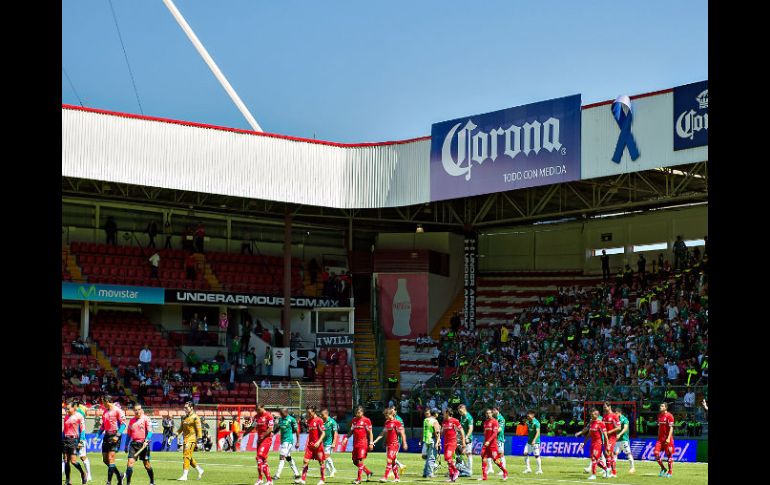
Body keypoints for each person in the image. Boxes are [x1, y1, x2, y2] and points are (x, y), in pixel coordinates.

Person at [96, 395, 126, 485]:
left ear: (107, 401)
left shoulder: (118, 411)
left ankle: (109, 482)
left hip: (115, 435)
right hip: (107, 436)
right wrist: (97, 436)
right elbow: (102, 426)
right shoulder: (105, 412)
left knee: (111, 458)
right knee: (105, 460)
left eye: (103, 402)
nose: (102, 404)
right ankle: (119, 475)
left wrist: (117, 435)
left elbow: (123, 424)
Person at [243, 403, 274, 485]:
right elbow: (252, 427)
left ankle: (268, 480)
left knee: (259, 457)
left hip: (267, 439)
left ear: (263, 408)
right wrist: (243, 435)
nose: (257, 411)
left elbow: (271, 428)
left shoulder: (269, 416)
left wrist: (263, 435)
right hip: (259, 440)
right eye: (256, 410)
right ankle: (262, 479)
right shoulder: (256, 417)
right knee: (262, 460)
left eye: (258, 409)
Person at [125, 403, 155, 485]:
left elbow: (150, 432)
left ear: (141, 410)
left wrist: (146, 441)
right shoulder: (131, 421)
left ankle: (152, 482)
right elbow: (128, 434)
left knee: (147, 465)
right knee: (130, 463)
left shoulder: (146, 419)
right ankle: (128, 483)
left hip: (143, 445)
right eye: (136, 410)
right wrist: (125, 445)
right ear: (133, 411)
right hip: (133, 444)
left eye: (139, 409)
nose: (137, 411)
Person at [575, 409, 609, 481]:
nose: (591, 415)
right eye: (591, 414)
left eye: (593, 414)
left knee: (594, 458)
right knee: (596, 460)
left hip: (598, 443)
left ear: (597, 415)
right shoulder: (591, 422)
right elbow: (589, 434)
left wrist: (607, 445)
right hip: (592, 443)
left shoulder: (601, 423)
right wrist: (584, 443)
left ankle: (593, 475)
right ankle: (606, 469)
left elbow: (605, 435)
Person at [296, 406, 327, 485]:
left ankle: (322, 479)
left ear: (314, 412)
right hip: (310, 445)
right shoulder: (309, 420)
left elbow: (323, 433)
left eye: (309, 413)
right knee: (305, 461)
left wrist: (318, 442)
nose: (308, 414)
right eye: (307, 413)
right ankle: (303, 479)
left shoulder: (319, 420)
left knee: (321, 462)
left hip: (318, 445)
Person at [376, 408, 408, 482]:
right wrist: (377, 441)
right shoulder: (387, 422)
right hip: (388, 445)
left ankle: (385, 477)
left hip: (395, 444)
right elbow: (384, 433)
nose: (385, 417)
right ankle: (397, 478)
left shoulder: (397, 422)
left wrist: (404, 442)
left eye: (386, 415)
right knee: (393, 462)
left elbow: (402, 433)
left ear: (391, 414)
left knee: (389, 460)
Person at [175, 401, 204, 481]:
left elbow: (199, 430)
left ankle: (185, 476)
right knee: (188, 457)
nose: (185, 409)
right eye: (184, 407)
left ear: (191, 408)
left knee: (186, 456)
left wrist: (200, 441)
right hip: (185, 439)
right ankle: (199, 470)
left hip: (192, 439)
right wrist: (174, 435)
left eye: (186, 407)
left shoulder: (195, 417)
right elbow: (180, 429)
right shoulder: (184, 417)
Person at [63, 400, 88, 485]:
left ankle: (83, 473)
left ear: (73, 408)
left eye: (68, 408)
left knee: (73, 461)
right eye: (66, 408)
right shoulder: (66, 417)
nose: (66, 410)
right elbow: (64, 430)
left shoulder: (79, 416)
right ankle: (68, 480)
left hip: (74, 440)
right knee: (66, 460)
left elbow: (83, 429)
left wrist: (81, 441)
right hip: (65, 440)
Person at [348, 406, 375, 484]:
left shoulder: (366, 420)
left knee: (360, 461)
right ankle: (368, 472)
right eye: (356, 412)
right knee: (355, 462)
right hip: (355, 444)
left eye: (359, 412)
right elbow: (351, 430)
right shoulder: (354, 420)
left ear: (362, 412)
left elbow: (370, 433)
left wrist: (371, 443)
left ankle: (358, 479)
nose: (357, 414)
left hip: (363, 443)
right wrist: (346, 438)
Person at [480, 408, 508, 481]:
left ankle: (505, 471)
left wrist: (489, 441)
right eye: (487, 413)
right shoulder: (485, 422)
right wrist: (484, 442)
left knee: (496, 460)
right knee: (484, 458)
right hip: (486, 444)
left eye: (490, 413)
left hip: (492, 444)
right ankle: (484, 476)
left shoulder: (495, 422)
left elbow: (495, 433)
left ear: (492, 414)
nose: (488, 414)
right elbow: (485, 433)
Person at [273, 408, 301, 480]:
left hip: (288, 441)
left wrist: (298, 441)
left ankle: (277, 475)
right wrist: (272, 433)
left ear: (286, 412)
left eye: (282, 413)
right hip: (283, 441)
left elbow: (297, 430)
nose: (281, 415)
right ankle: (297, 474)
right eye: (280, 413)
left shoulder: (292, 420)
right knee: (288, 458)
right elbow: (278, 428)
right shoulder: (281, 419)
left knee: (282, 457)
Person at [440, 408, 465, 483]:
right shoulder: (444, 421)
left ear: (447, 413)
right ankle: (451, 477)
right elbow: (442, 432)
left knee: (448, 457)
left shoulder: (455, 421)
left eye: (444, 413)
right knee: (448, 460)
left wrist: (463, 441)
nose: (443, 414)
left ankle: (456, 471)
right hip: (445, 442)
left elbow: (462, 431)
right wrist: (439, 437)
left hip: (452, 442)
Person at [72, 400, 93, 482]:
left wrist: (81, 440)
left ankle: (89, 475)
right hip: (72, 438)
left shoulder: (79, 413)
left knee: (82, 456)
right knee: (66, 457)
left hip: (80, 438)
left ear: (75, 406)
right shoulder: (73, 413)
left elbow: (82, 428)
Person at [654, 403, 675, 478]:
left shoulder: (669, 416)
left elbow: (671, 428)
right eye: (660, 406)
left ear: (666, 408)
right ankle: (663, 468)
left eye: (662, 406)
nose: (660, 407)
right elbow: (659, 427)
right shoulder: (659, 415)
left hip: (667, 439)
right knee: (656, 453)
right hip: (660, 439)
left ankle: (670, 472)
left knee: (669, 455)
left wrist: (669, 438)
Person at [602, 402, 621, 478]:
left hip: (612, 437)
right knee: (610, 455)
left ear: (609, 407)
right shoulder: (604, 416)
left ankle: (608, 470)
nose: (604, 408)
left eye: (605, 407)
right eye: (604, 407)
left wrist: (609, 431)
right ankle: (614, 472)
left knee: (607, 452)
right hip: (606, 437)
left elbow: (619, 427)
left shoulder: (614, 416)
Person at [421, 408, 441, 478]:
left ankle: (425, 472)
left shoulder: (426, 420)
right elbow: (437, 432)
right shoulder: (435, 421)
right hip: (432, 440)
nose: (438, 414)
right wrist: (438, 442)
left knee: (428, 458)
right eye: (437, 413)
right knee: (432, 458)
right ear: (435, 414)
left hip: (426, 440)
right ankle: (430, 473)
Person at [614, 408, 635, 474]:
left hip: (624, 439)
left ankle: (632, 468)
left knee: (628, 453)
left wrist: (619, 434)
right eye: (615, 413)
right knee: (615, 454)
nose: (615, 414)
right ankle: (613, 468)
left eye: (616, 413)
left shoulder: (624, 419)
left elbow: (625, 428)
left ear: (620, 413)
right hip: (617, 440)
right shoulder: (615, 419)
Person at [523, 410, 542, 475]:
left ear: (532, 415)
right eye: (527, 415)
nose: (527, 417)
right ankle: (528, 468)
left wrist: (534, 440)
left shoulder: (536, 422)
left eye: (528, 415)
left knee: (536, 455)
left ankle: (539, 470)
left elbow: (538, 432)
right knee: (525, 453)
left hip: (535, 442)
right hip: (529, 442)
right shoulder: (528, 422)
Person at [457, 404, 474, 477]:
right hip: (461, 438)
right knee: (459, 453)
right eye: (459, 411)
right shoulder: (462, 416)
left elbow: (470, 428)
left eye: (460, 411)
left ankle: (469, 470)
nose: (459, 412)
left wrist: (467, 437)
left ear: (464, 409)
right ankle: (461, 469)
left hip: (467, 439)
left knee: (468, 454)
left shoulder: (469, 417)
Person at [321, 409, 339, 478]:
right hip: (323, 442)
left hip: (329, 442)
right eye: (321, 415)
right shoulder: (321, 421)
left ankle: (333, 469)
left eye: (323, 415)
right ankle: (328, 471)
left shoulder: (332, 422)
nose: (321, 416)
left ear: (327, 414)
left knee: (326, 456)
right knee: (325, 457)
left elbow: (335, 433)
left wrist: (334, 442)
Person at [492, 407, 507, 473]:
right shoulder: (493, 418)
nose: (492, 411)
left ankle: (503, 470)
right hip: (493, 438)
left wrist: (492, 432)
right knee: (491, 454)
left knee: (501, 454)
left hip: (499, 438)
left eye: (494, 410)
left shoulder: (501, 419)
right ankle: (490, 469)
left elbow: (500, 429)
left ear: (497, 410)